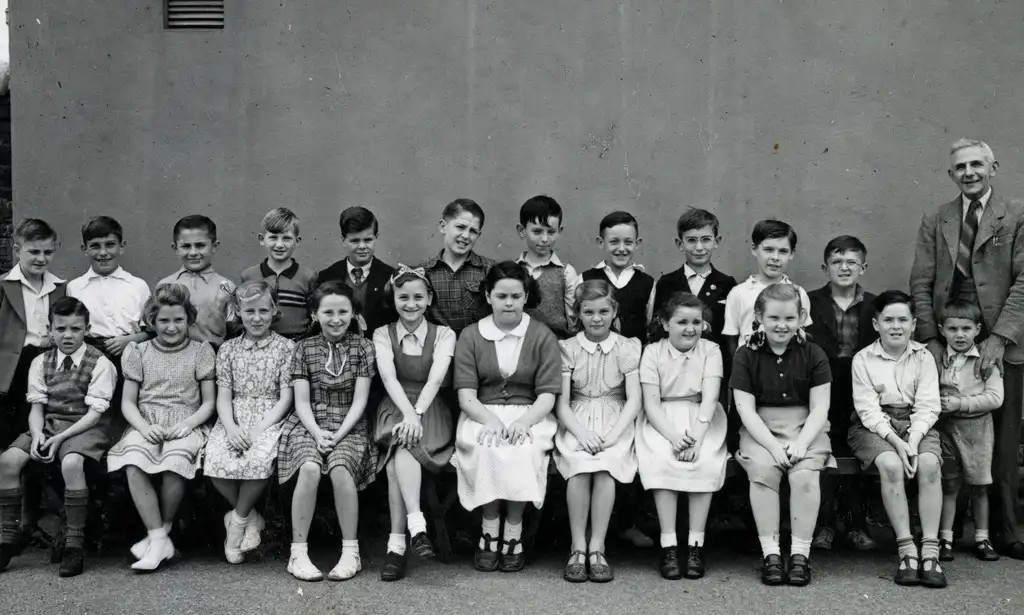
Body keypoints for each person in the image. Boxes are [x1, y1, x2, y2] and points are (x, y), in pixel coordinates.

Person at [909, 138, 1024, 560]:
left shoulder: (1016, 214)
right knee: (946, 434)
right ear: (951, 174)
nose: (969, 172)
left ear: (994, 167)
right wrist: (931, 339)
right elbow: (921, 281)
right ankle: (948, 530)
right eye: (960, 167)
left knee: (1003, 441)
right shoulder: (937, 218)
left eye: (977, 164)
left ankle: (1005, 529)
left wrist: (999, 337)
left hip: (1001, 344)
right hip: (948, 341)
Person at [451, 261, 560, 572]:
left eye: (516, 296)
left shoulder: (541, 336)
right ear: (488, 296)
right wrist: (491, 421)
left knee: (522, 449)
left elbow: (547, 395)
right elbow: (466, 396)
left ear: (526, 297)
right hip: (482, 412)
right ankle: (489, 531)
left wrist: (524, 422)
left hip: (530, 413)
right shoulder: (472, 336)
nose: (509, 303)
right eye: (501, 296)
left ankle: (513, 533)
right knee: (487, 447)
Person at [0, 297, 116, 577]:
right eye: (60, 328)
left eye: (75, 329)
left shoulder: (100, 363)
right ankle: (6, 536)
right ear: (50, 330)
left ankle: (74, 545)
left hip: (85, 427)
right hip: (49, 425)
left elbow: (95, 414)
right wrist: (39, 435)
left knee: (72, 464)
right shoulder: (41, 361)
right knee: (8, 461)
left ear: (86, 329)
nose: (67, 335)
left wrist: (60, 439)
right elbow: (36, 407)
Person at [106, 284, 217, 572]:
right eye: (163, 321)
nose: (171, 327)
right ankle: (158, 537)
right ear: (152, 322)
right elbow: (128, 403)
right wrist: (143, 428)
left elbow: (208, 403)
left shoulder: (201, 351)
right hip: (147, 424)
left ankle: (159, 536)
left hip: (186, 422)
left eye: (178, 320)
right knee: (134, 461)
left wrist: (188, 424)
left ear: (189, 320)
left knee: (174, 462)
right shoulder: (138, 351)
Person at [732, 284, 833, 587]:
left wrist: (802, 443)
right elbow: (745, 409)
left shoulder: (813, 353)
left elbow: (820, 407)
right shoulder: (746, 354)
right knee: (762, 470)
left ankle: (801, 554)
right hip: (760, 428)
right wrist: (772, 445)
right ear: (759, 316)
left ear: (802, 317)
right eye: (774, 317)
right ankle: (771, 554)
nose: (781, 325)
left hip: (806, 426)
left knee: (804, 475)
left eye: (789, 318)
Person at [277, 282, 378, 582]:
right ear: (315, 315)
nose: (336, 319)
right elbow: (301, 401)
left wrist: (339, 433)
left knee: (340, 468)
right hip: (309, 423)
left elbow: (360, 400)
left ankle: (350, 552)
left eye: (343, 312)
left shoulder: (364, 347)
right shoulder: (303, 348)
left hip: (350, 423)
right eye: (328, 312)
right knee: (309, 467)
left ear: (353, 314)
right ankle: (298, 553)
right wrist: (319, 433)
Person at [848, 291, 946, 588]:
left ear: (913, 324)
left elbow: (929, 406)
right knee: (890, 464)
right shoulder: (863, 359)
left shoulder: (924, 356)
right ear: (876, 324)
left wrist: (913, 440)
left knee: (929, 464)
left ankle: (930, 550)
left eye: (903, 320)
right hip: (874, 426)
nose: (896, 326)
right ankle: (907, 550)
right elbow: (867, 410)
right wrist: (897, 442)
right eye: (888, 320)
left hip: (916, 423)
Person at [554, 280, 642, 583]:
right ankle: (577, 545)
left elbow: (634, 401)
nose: (596, 318)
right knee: (579, 466)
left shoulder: (627, 347)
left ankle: (597, 546)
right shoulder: (567, 348)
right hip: (578, 418)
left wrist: (614, 435)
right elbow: (562, 404)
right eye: (588, 312)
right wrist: (580, 433)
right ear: (578, 313)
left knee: (605, 466)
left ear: (613, 310)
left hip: (615, 419)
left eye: (603, 311)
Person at [636, 291, 728, 581]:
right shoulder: (653, 351)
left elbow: (710, 398)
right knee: (662, 459)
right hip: (662, 419)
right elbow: (650, 403)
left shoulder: (711, 350)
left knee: (704, 461)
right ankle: (669, 545)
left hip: (702, 418)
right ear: (665, 324)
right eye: (682, 322)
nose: (691, 328)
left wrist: (698, 438)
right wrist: (674, 437)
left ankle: (695, 545)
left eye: (696, 322)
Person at [372, 265, 456, 581]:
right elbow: (388, 377)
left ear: (429, 298)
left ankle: (398, 545)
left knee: (398, 456)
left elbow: (436, 379)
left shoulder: (444, 334)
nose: (411, 304)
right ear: (393, 299)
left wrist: (417, 413)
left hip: (430, 408)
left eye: (418, 297)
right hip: (396, 406)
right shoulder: (382, 334)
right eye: (403, 297)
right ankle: (415, 526)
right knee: (403, 440)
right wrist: (407, 414)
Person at [204, 281, 296, 564]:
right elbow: (223, 397)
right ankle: (251, 515)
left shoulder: (286, 348)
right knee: (214, 460)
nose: (257, 318)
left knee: (258, 460)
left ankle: (237, 524)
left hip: (269, 416)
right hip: (235, 414)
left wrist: (259, 429)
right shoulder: (229, 350)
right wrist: (231, 427)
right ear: (238, 312)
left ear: (274, 311)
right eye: (250, 311)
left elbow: (285, 399)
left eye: (263, 311)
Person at [580, 210, 656, 549]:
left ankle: (628, 521)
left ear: (637, 243)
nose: (621, 248)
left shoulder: (646, 282)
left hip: (632, 370)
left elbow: (650, 326)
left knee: (630, 446)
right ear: (602, 243)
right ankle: (593, 527)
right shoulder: (588, 276)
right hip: (597, 373)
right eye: (614, 241)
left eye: (628, 241)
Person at [805, 235, 878, 552]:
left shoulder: (875, 305)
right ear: (825, 267)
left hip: (862, 391)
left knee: (859, 457)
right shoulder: (810, 302)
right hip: (823, 390)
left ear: (863, 266)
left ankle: (856, 524)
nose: (844, 267)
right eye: (837, 261)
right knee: (826, 455)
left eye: (851, 261)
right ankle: (824, 525)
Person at [934, 300, 1003, 562]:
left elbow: (995, 398)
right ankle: (945, 538)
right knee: (949, 484)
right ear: (942, 330)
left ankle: (982, 538)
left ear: (977, 329)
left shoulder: (985, 361)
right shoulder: (938, 358)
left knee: (979, 486)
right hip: (947, 429)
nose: (959, 335)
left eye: (966, 328)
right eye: (952, 329)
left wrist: (961, 403)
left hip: (977, 431)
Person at [1, 219, 66, 449]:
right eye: (34, 251)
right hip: (12, 368)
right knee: (11, 428)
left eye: (48, 252)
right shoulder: (4, 286)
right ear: (17, 250)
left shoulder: (59, 287)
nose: (41, 258)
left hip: (47, 364)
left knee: (39, 426)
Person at [722, 219, 813, 359]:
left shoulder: (799, 293)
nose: (775, 257)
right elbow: (731, 338)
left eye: (783, 251)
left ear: (792, 254)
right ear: (754, 249)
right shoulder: (739, 293)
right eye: (768, 250)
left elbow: (803, 335)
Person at [652, 208, 736, 348]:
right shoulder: (667, 283)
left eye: (706, 240)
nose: (699, 247)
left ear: (716, 241)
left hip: (714, 362)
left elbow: (730, 333)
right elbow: (657, 328)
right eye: (691, 240)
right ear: (680, 244)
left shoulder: (727, 284)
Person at [417, 198, 495, 337]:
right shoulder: (423, 273)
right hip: (436, 352)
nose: (465, 235)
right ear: (443, 226)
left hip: (476, 351)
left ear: (479, 235)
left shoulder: (489, 270)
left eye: (473, 231)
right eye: (460, 227)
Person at [157, 215, 236, 349]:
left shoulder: (227, 287)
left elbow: (234, 331)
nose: (193, 252)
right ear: (175, 248)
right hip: (174, 358)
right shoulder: (164, 286)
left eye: (200, 245)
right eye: (186, 246)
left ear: (215, 246)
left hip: (216, 356)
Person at [317, 206, 396, 337]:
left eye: (368, 240)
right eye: (355, 241)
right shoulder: (327, 276)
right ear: (343, 240)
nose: (362, 246)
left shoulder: (389, 275)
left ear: (376, 238)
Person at [240, 208, 317, 340]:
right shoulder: (249, 276)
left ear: (297, 241)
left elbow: (315, 317)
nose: (279, 245)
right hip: (260, 346)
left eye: (286, 238)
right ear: (261, 239)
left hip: (297, 347)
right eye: (273, 238)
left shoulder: (308, 276)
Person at [514, 195, 581, 339]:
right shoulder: (513, 271)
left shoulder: (566, 273)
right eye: (537, 231)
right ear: (521, 230)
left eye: (551, 232)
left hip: (557, 347)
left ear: (559, 231)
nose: (544, 239)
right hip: (519, 347)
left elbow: (573, 320)